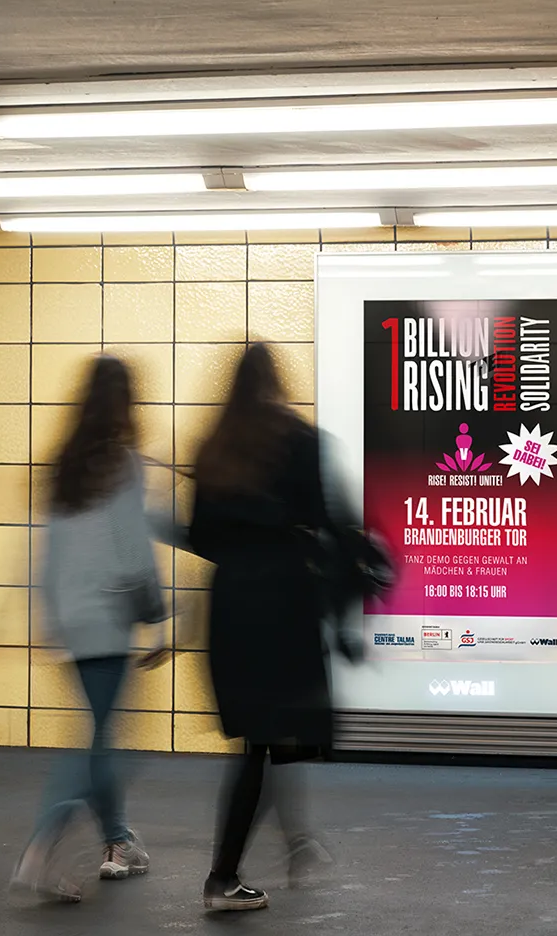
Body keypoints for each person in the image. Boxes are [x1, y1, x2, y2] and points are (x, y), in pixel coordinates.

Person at [169, 343, 354, 912]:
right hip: (285, 600)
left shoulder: (215, 447)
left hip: (233, 604)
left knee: (263, 739)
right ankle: (224, 876)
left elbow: (199, 535)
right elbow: (333, 525)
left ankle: (274, 853)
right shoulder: (301, 442)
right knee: (270, 741)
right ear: (275, 382)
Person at [9, 354, 170, 903]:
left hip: (71, 617)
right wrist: (157, 614)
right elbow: (132, 547)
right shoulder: (122, 463)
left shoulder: (63, 464)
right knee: (104, 744)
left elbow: (48, 548)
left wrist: (49, 615)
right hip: (109, 614)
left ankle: (117, 840)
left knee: (102, 731)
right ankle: (41, 846)